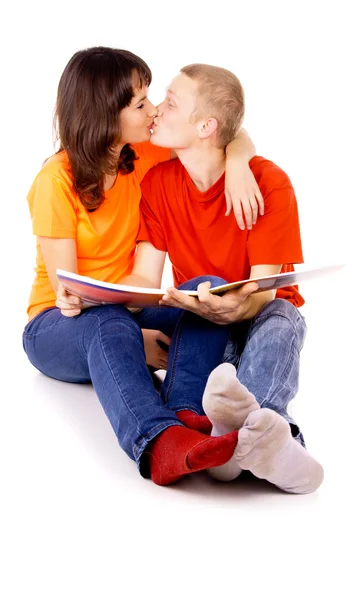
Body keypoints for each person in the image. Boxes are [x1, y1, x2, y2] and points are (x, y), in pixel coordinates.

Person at [59, 63, 324, 493]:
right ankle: (233, 433)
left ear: (205, 126)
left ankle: (255, 435)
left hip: (256, 320)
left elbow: (263, 289)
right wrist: (90, 298)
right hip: (200, 324)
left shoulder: (269, 184)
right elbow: (145, 276)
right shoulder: (159, 180)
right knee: (190, 289)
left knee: (283, 314)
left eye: (171, 102)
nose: (157, 110)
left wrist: (239, 305)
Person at [23, 47, 265, 486]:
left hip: (127, 304)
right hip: (59, 323)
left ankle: (186, 413)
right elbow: (70, 296)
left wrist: (238, 162)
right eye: (140, 103)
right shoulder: (54, 182)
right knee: (109, 325)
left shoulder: (144, 157)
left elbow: (225, 131)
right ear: (105, 116)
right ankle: (157, 442)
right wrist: (135, 336)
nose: (153, 110)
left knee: (207, 290)